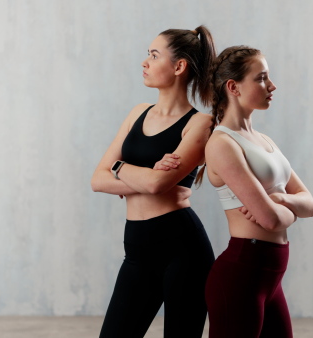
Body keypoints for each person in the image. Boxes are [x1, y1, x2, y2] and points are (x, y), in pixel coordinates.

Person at [90, 26, 216, 338]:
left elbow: (157, 185)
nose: (145, 62)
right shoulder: (137, 113)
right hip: (136, 249)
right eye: (148, 54)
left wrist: (120, 168)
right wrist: (142, 175)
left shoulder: (200, 123)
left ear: (179, 66)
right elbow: (97, 179)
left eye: (154, 55)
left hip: (182, 249)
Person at [203, 46, 313, 338]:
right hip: (242, 276)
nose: (272, 85)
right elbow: (270, 221)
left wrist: (279, 199)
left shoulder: (264, 140)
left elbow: (310, 204)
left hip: (270, 278)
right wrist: (281, 208)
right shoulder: (222, 144)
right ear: (233, 87)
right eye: (262, 78)